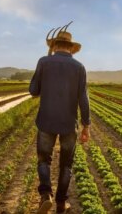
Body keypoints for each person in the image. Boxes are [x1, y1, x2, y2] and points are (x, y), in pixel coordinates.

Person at [29, 29, 91, 214]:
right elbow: (83, 99)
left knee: (43, 160)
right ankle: (61, 203)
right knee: (66, 164)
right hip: (68, 124)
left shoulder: (43, 61)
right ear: (71, 48)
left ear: (54, 45)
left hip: (46, 121)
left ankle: (45, 195)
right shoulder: (79, 67)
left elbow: (33, 90)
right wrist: (86, 125)